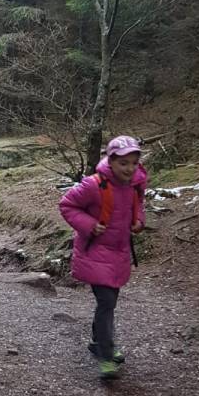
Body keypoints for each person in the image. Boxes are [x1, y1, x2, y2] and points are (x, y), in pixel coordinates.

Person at [59, 135, 147, 380]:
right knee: (107, 302)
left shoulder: (135, 184)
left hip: (119, 253)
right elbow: (67, 205)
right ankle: (106, 356)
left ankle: (98, 341)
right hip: (94, 253)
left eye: (134, 163)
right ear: (111, 161)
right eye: (123, 163)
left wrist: (139, 222)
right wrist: (88, 225)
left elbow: (138, 205)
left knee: (108, 302)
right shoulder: (93, 185)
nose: (129, 169)